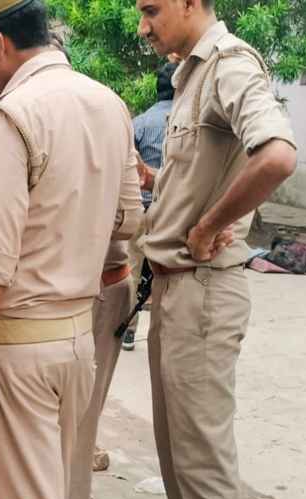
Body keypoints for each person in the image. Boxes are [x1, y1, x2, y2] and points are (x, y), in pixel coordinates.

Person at [0, 0, 143, 499]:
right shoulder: (108, 102)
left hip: (22, 348)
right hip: (80, 336)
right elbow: (128, 218)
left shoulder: (13, 115)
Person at [115, 0, 298, 499]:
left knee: (204, 457)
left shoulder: (229, 63)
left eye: (151, 9)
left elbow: (276, 155)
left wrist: (209, 223)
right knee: (174, 445)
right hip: (172, 285)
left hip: (204, 288)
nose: (143, 26)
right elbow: (199, 172)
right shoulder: (191, 75)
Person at [122, 62, 177, 351]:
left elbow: (128, 166)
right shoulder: (186, 123)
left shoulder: (140, 122)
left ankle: (128, 331)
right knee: (167, 273)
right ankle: (163, 333)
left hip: (140, 208)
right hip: (172, 210)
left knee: (131, 269)